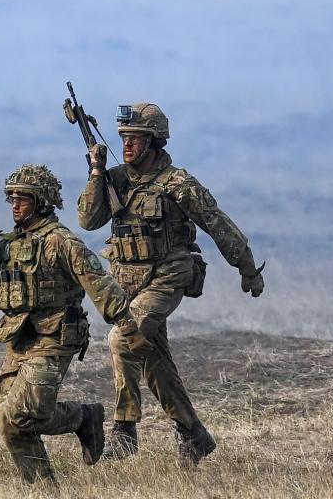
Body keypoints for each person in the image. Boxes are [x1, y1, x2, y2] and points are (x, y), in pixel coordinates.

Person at [78, 102, 265, 466]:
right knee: (153, 358)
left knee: (122, 337)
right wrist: (97, 172)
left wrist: (247, 268)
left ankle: (125, 429)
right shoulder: (115, 178)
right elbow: (87, 220)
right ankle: (192, 433)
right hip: (127, 283)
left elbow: (217, 223)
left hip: (168, 274)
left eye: (136, 138)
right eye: (124, 138)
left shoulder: (178, 183)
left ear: (155, 142)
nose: (128, 145)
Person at [0, 163, 150, 485]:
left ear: (42, 201)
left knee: (22, 413)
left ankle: (82, 418)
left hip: (54, 335)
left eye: (23, 198)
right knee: (5, 417)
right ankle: (45, 485)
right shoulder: (7, 243)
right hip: (19, 337)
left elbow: (98, 282)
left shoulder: (60, 241)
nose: (15, 206)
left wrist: (127, 325)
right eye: (12, 199)